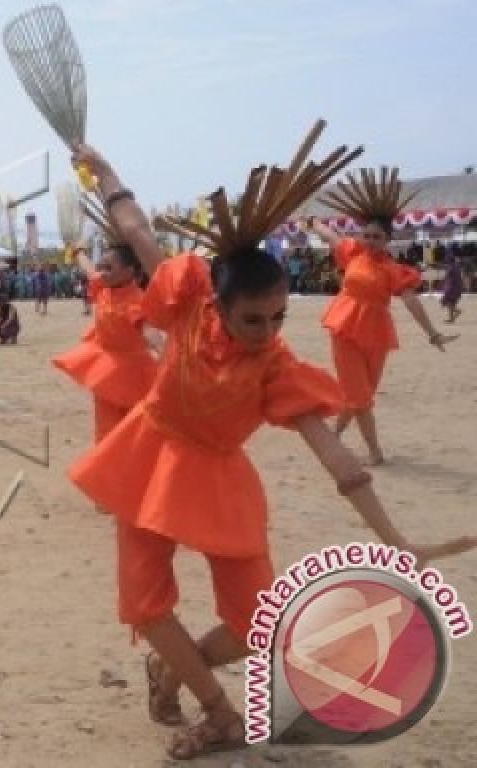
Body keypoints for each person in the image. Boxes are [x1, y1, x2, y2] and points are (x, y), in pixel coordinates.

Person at [69, 132, 475, 761]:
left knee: (256, 620)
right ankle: (220, 714)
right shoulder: (184, 302)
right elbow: (138, 226)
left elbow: (336, 460)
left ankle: (174, 670)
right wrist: (104, 170)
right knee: (146, 606)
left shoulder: (275, 366)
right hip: (149, 455)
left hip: (218, 477)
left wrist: (395, 539)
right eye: (253, 319)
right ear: (219, 304)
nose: (267, 332)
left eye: (280, 317)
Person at [310, 169, 457, 465]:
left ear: (388, 239)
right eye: (367, 235)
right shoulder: (352, 253)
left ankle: (334, 437)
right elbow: (331, 235)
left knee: (359, 395)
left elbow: (411, 302)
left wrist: (432, 333)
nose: (371, 241)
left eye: (377, 237)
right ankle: (375, 452)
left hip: (376, 334)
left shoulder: (394, 270)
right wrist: (314, 223)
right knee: (360, 397)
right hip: (344, 328)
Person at [53, 209, 158, 444]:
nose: (103, 272)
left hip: (134, 373)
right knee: (106, 432)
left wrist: (167, 354)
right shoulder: (103, 286)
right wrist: (78, 251)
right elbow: (89, 270)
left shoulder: (136, 300)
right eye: (103, 266)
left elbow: (149, 331)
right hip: (104, 367)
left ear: (130, 272)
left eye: (109, 268)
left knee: (135, 430)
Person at [440, 251, 464, 323]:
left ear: (448, 260)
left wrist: (442, 284)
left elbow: (446, 277)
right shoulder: (457, 266)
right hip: (458, 287)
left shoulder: (450, 267)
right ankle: (451, 319)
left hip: (452, 287)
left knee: (445, 301)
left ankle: (457, 311)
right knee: (452, 302)